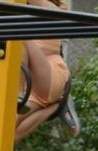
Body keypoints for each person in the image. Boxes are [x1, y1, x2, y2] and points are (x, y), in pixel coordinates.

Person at [17, 1, 80, 142]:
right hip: (35, 89)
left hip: (49, 73)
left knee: (16, 33)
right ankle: (57, 106)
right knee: (9, 134)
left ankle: (19, 93)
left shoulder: (52, 7)